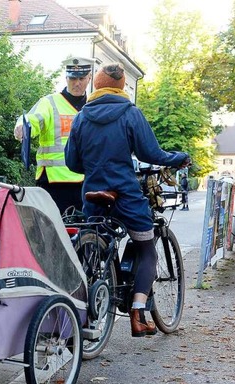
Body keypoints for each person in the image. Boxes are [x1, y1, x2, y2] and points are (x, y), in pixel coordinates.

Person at [65, 63, 191, 337]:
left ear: (96, 85)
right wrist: (178, 158)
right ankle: (137, 313)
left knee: (95, 249)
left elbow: (72, 162)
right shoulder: (130, 113)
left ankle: (89, 300)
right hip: (125, 193)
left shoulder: (82, 117)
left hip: (93, 193)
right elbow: (151, 153)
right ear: (121, 85)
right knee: (147, 250)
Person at [13, 57, 94, 214]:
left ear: (89, 78)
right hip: (54, 181)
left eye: (82, 78)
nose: (77, 83)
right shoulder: (49, 102)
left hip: (87, 181)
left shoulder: (93, 105)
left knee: (87, 232)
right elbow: (33, 119)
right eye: (73, 78)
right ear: (66, 78)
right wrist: (22, 127)